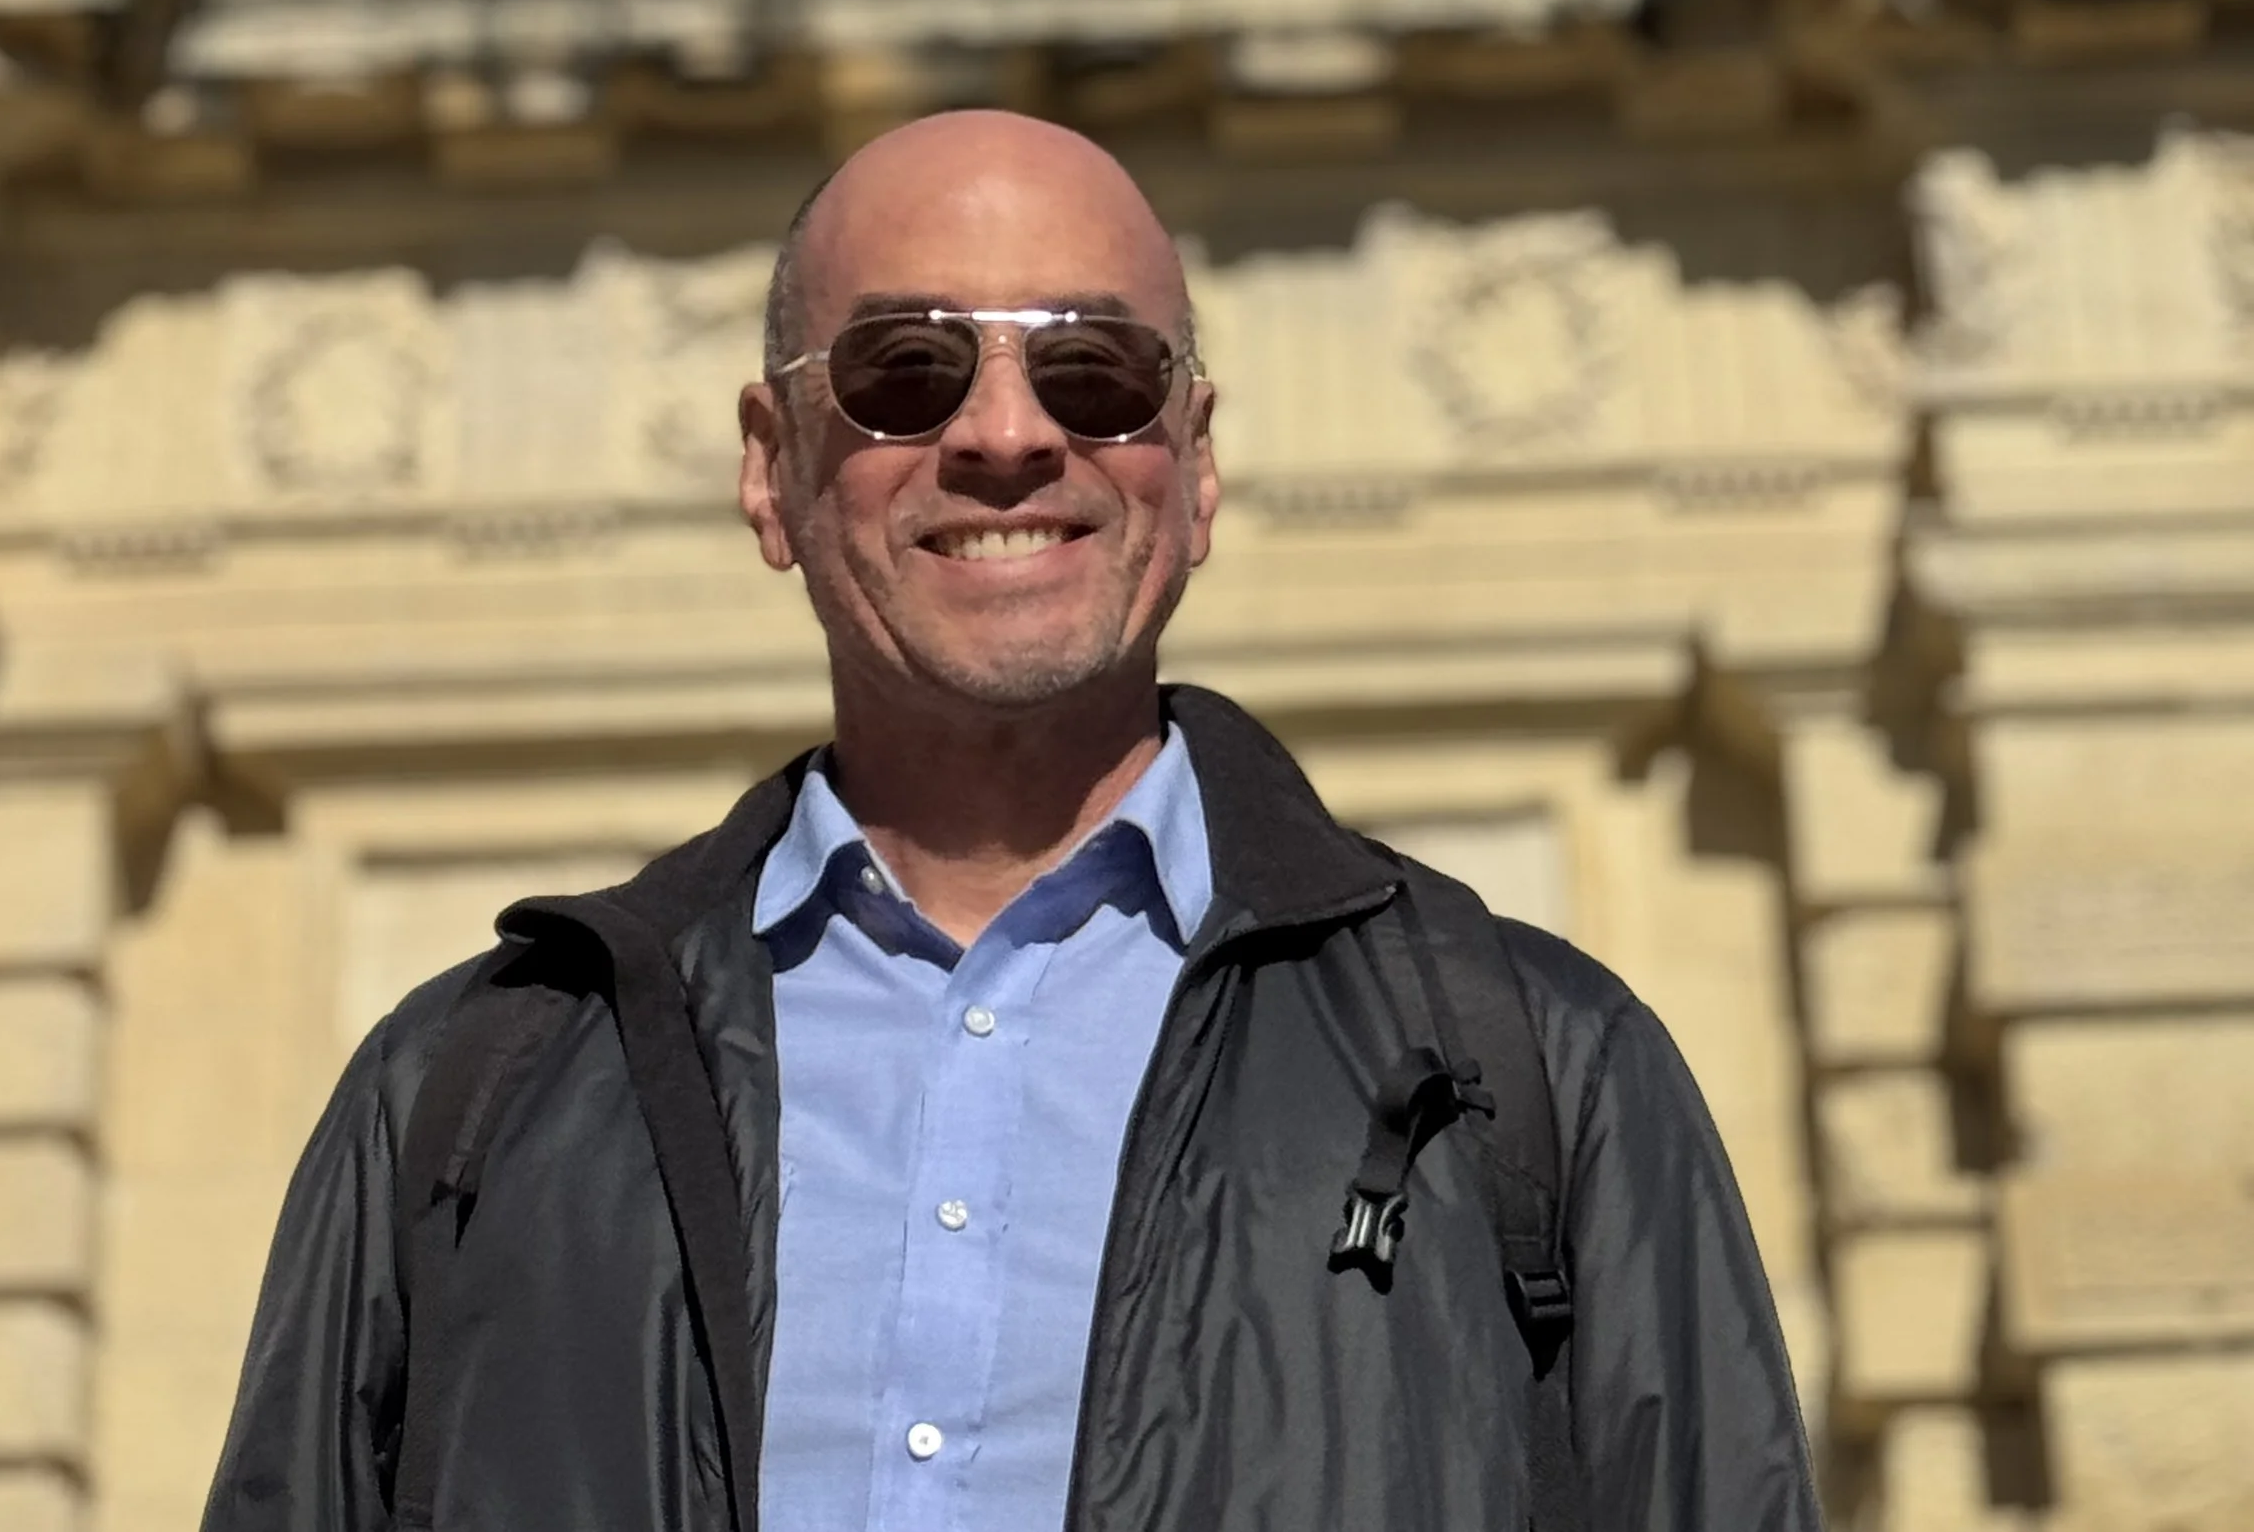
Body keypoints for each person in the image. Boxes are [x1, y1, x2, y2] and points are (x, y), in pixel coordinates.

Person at [202, 109, 1820, 1532]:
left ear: (1193, 469)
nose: (1005, 432)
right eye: (904, 371)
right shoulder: (468, 1098)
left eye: (1093, 370)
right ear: (772, 470)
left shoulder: (1542, 1075)